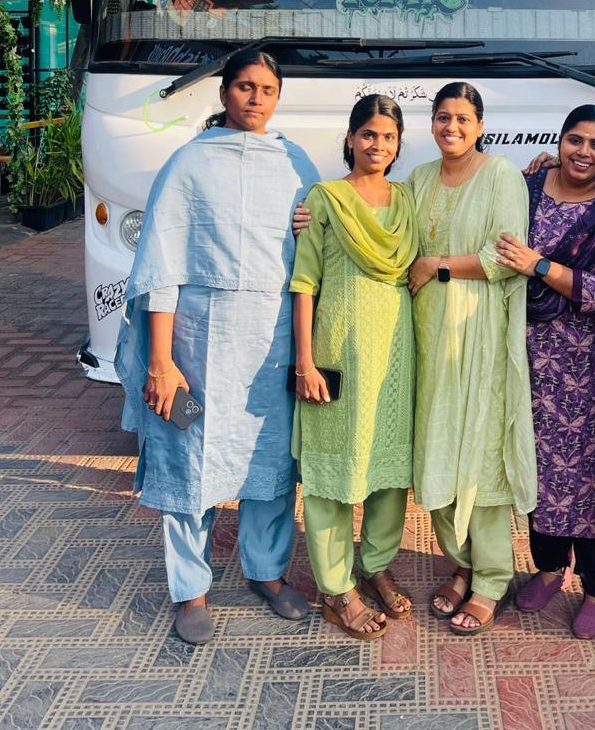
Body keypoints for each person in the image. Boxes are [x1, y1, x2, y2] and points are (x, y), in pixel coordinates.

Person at [115, 51, 319, 645]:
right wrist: (161, 361)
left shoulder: (296, 164)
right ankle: (191, 590)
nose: (256, 98)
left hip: (272, 343)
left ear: (278, 98)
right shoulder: (189, 164)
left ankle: (267, 572)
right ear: (225, 92)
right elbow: (160, 267)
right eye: (246, 87)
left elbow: (316, 253)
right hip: (197, 342)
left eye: (268, 89)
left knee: (270, 460)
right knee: (189, 456)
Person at [494, 106, 595, 639]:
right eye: (575, 140)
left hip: (587, 369)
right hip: (526, 357)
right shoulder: (528, 188)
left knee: (589, 476)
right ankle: (549, 568)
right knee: (536, 465)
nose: (583, 152)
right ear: (559, 141)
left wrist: (539, 265)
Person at [410, 82, 536, 636]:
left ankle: (491, 578)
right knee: (434, 444)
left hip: (478, 332)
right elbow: (388, 229)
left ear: (480, 125)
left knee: (480, 453)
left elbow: (506, 257)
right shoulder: (418, 178)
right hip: (425, 334)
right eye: (443, 117)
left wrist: (435, 265)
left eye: (463, 118)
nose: (452, 127)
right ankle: (460, 563)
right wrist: (314, 216)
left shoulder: (502, 175)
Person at [290, 94, 417, 639]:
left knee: (389, 472)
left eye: (388, 137)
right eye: (368, 134)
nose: (377, 145)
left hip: (396, 354)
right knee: (332, 474)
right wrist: (305, 362)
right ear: (349, 138)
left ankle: (375, 565)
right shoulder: (325, 199)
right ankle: (336, 587)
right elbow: (304, 283)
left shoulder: (407, 199)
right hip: (337, 351)